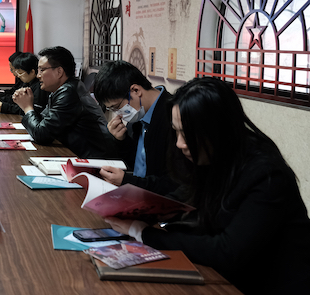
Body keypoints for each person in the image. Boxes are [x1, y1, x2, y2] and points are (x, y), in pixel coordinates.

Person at [105, 77, 310, 294]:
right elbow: (185, 194)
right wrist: (146, 210)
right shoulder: (211, 156)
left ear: (218, 130)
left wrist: (143, 233)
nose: (179, 143)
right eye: (176, 131)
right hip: (224, 277)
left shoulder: (267, 175)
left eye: (187, 134)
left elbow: (228, 251)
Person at [92, 60, 179, 195]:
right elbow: (136, 164)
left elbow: (174, 184)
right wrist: (121, 141)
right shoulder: (138, 115)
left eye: (117, 107)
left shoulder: (173, 118)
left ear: (136, 90)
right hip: (137, 194)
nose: (119, 114)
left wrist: (127, 181)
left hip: (159, 199)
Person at [13, 46, 114, 157]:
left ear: (59, 72)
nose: (38, 76)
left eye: (42, 70)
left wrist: (27, 108)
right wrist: (28, 106)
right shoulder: (63, 89)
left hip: (95, 160)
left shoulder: (69, 92)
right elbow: (43, 123)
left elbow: (42, 135)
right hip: (76, 153)